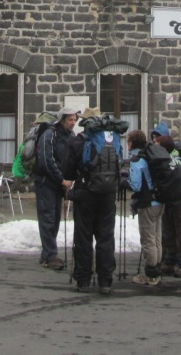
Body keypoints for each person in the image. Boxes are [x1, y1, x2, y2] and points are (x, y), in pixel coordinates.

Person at [65, 111, 125, 295]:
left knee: (83, 238)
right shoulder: (113, 140)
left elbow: (68, 171)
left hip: (85, 194)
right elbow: (120, 164)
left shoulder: (78, 141)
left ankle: (83, 280)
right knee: (106, 238)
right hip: (108, 196)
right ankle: (105, 281)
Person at [32, 106, 79, 270]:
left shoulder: (71, 135)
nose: (73, 123)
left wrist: (67, 181)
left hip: (59, 184)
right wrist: (61, 179)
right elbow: (46, 160)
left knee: (55, 220)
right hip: (45, 182)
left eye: (74, 120)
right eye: (70, 120)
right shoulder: (50, 134)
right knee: (48, 218)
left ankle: (47, 255)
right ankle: (50, 255)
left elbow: (70, 160)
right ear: (62, 120)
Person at [153, 128, 181, 278]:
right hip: (169, 200)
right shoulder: (165, 160)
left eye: (158, 145)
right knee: (168, 229)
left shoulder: (176, 161)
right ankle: (170, 259)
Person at [126, 129, 164, 287]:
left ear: (131, 143)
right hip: (159, 201)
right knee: (156, 237)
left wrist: (124, 181)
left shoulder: (137, 160)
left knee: (148, 240)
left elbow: (135, 185)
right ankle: (157, 269)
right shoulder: (151, 155)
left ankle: (151, 275)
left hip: (147, 203)